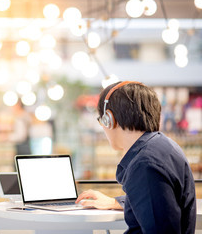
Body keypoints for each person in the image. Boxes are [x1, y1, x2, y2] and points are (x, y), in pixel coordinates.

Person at [76, 81, 196, 234]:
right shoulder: (161, 146)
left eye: (101, 120)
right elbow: (158, 202)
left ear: (109, 119)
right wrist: (116, 202)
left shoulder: (146, 165)